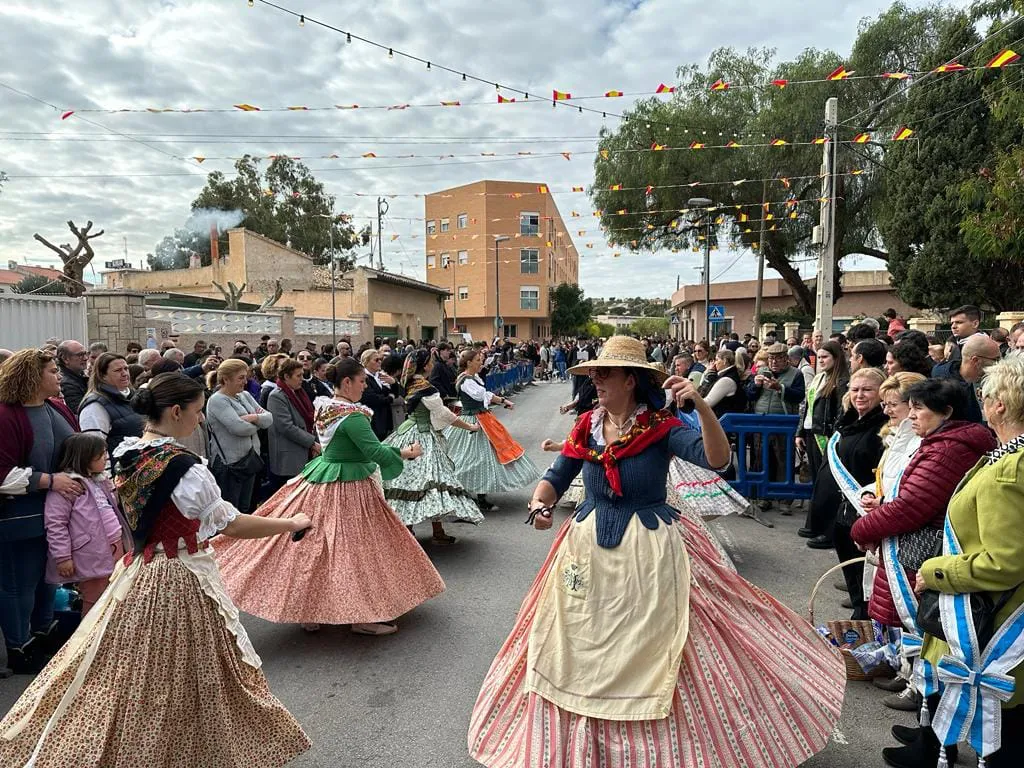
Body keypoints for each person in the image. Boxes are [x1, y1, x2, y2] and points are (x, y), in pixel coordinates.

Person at [469, 336, 845, 768]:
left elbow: (716, 458)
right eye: (594, 374)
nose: (595, 381)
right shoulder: (587, 424)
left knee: (666, 641)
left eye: (605, 373)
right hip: (586, 546)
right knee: (575, 642)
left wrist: (700, 405)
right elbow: (557, 475)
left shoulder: (661, 426)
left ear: (631, 380)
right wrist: (540, 503)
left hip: (649, 548)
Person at [0, 372, 312, 767]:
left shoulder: (127, 454)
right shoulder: (185, 467)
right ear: (176, 411)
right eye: (197, 411)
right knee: (190, 675)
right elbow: (231, 524)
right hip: (178, 576)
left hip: (139, 571)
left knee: (133, 674)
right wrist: (291, 523)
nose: (201, 419)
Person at [216, 357, 444, 636]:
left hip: (321, 478)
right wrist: (406, 453)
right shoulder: (352, 416)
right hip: (348, 485)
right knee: (355, 551)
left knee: (315, 547)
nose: (364, 386)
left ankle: (310, 610)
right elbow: (374, 452)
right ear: (347, 382)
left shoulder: (326, 407)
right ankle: (361, 615)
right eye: (361, 381)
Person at [882, 355, 1024, 768]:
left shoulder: (1010, 471)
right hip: (988, 608)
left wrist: (934, 572)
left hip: (995, 617)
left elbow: (1005, 562)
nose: (982, 402)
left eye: (986, 395)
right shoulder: (1006, 457)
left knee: (1003, 737)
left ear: (1000, 404)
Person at [851, 376, 993, 714]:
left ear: (946, 412)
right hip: (918, 543)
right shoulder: (939, 441)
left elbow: (913, 505)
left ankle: (925, 695)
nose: (911, 415)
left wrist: (863, 528)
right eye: (909, 407)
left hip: (926, 546)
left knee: (925, 620)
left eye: (919, 408)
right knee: (915, 620)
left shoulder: (949, 449)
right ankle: (911, 678)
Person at [0, 350, 80, 674]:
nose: (58, 376)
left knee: (48, 581)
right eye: (52, 371)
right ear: (33, 377)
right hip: (17, 518)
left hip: (54, 514)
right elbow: (2, 474)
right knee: (18, 584)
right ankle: (19, 647)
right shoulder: (6, 414)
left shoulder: (56, 407)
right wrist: (49, 480)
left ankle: (43, 633)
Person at [808, 367, 888, 621]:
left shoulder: (884, 427)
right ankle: (858, 615)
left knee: (867, 579)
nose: (860, 395)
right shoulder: (847, 420)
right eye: (855, 389)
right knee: (852, 575)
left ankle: (864, 623)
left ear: (882, 393)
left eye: (867, 390)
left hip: (864, 511)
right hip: (841, 511)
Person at [381, 349, 484, 543]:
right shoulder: (425, 387)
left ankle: (410, 531)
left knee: (408, 482)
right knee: (431, 481)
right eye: (431, 361)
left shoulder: (409, 382)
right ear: (426, 365)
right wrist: (469, 426)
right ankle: (434, 532)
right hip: (422, 436)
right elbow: (444, 414)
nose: (433, 364)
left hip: (407, 431)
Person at [444, 349, 542, 512]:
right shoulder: (466, 381)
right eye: (478, 360)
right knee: (474, 459)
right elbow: (482, 396)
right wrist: (502, 400)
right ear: (469, 363)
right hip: (473, 420)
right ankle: (466, 493)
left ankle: (477, 494)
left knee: (482, 458)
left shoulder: (472, 378)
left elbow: (486, 395)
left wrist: (503, 400)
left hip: (483, 419)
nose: (481, 363)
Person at [43, 433, 128, 616]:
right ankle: (89, 634)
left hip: (115, 546)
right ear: (85, 456)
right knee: (95, 600)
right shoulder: (68, 487)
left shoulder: (100, 481)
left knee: (115, 595)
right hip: (91, 554)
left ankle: (110, 632)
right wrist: (63, 557)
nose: (106, 457)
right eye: (100, 454)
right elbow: (56, 524)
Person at [798, 340, 850, 539]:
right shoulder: (818, 378)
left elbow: (840, 413)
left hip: (827, 436)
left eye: (825, 357)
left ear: (836, 358)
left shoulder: (842, 381)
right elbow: (807, 407)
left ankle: (827, 530)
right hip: (812, 433)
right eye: (819, 357)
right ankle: (815, 524)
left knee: (828, 484)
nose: (821, 360)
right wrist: (799, 432)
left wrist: (833, 436)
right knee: (817, 482)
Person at [206, 358, 273, 513]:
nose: (245, 381)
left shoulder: (245, 395)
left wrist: (253, 418)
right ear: (226, 379)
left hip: (249, 460)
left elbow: (269, 418)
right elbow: (239, 428)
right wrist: (258, 422)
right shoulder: (217, 400)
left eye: (245, 377)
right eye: (241, 378)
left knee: (245, 507)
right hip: (230, 463)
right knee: (231, 510)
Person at [266, 359, 320, 494]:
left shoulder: (299, 393)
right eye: (298, 375)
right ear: (286, 376)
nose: (302, 379)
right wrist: (312, 443)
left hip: (304, 452)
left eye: (302, 375)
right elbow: (286, 427)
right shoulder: (277, 396)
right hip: (289, 457)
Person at [78, 353, 144, 459]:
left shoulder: (133, 397)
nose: (124, 374)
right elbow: (94, 449)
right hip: (117, 467)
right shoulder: (95, 406)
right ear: (102, 376)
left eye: (126, 368)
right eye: (118, 370)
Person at [360, 348, 400, 440]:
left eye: (380, 359)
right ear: (366, 362)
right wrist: (390, 398)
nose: (380, 362)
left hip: (384, 419)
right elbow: (373, 399)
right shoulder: (364, 378)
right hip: (374, 421)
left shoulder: (380, 376)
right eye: (376, 360)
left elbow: (396, 394)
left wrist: (393, 383)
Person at [695, 348, 748, 416]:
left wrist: (691, 402)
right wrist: (707, 373)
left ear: (724, 361)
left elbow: (707, 403)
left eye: (717, 360)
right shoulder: (725, 375)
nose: (715, 363)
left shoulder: (726, 380)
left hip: (721, 419)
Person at [55, 340, 90, 413]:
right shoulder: (66, 384)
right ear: (65, 359)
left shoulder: (81, 376)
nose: (85, 358)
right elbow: (80, 411)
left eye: (85, 353)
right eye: (80, 355)